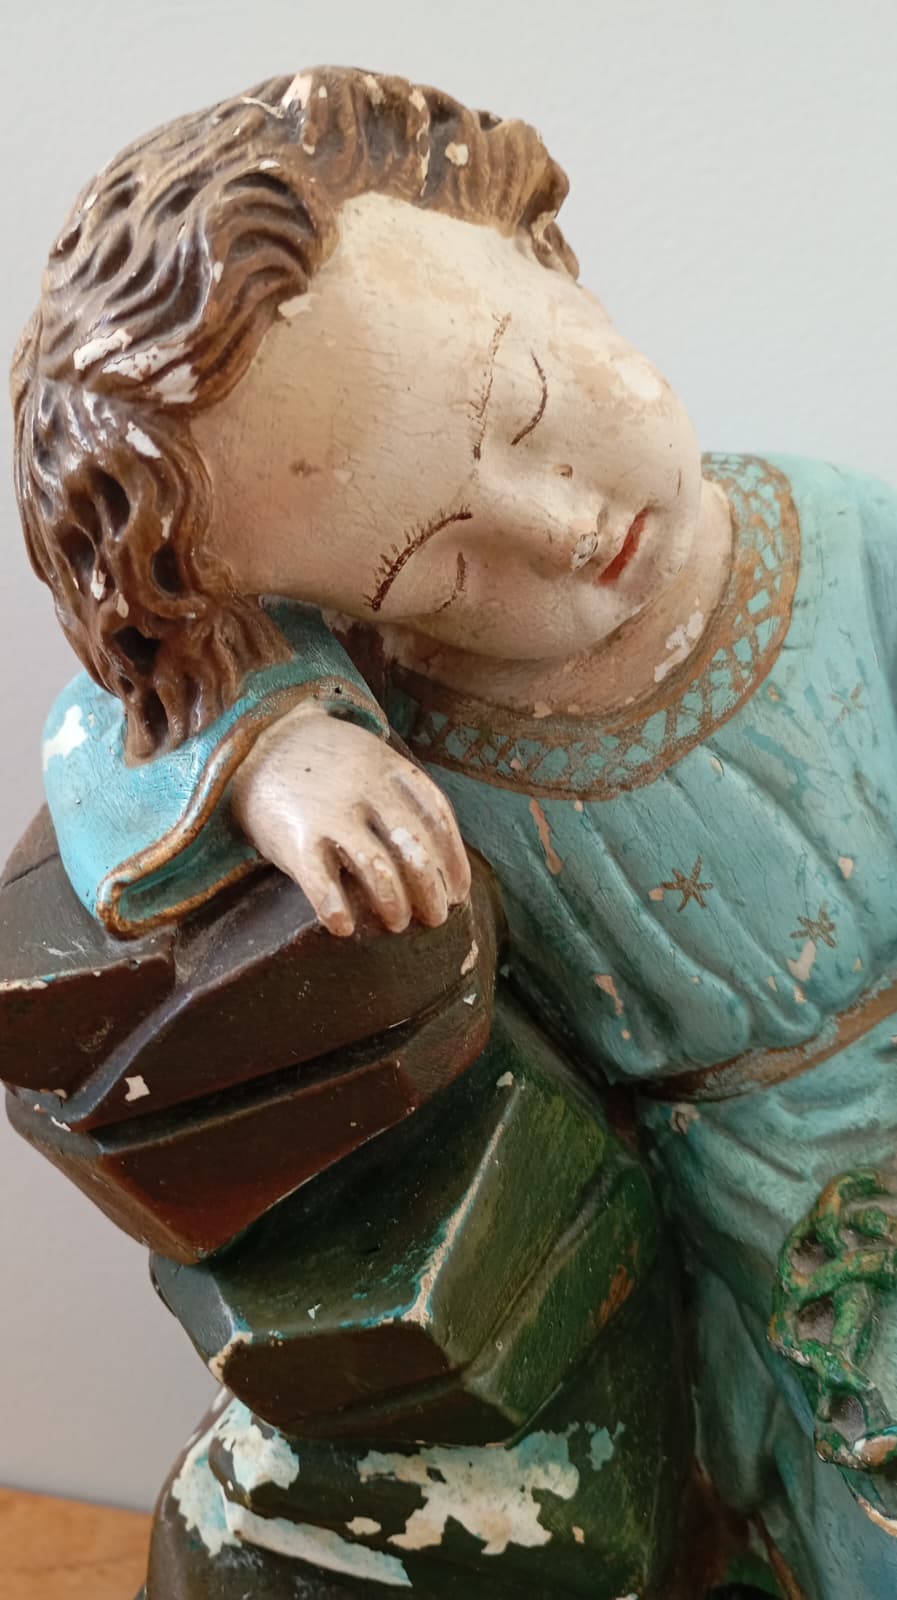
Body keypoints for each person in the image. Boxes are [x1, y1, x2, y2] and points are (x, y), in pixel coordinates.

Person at [14, 64, 897, 1599]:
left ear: (546, 251)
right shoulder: (396, 720)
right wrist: (271, 743)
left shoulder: (844, 539)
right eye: (435, 567)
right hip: (762, 1223)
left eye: (535, 406)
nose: (557, 526)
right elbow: (118, 721)